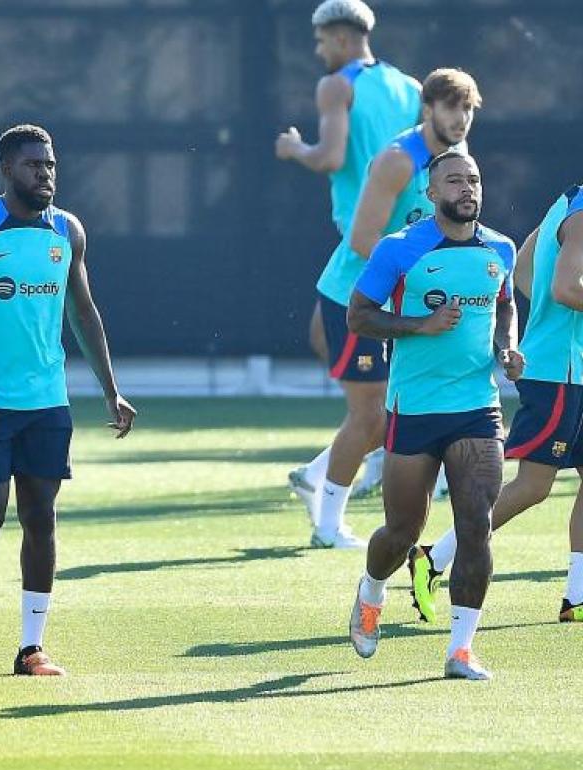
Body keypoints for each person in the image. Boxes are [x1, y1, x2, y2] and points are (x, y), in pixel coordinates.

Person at [0, 125, 137, 676]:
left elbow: (84, 311)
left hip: (47, 401)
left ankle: (30, 649)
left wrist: (110, 389)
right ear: (6, 170)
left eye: (49, 165)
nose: (44, 174)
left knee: (41, 518)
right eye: (32, 165)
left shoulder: (67, 231)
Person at [345, 152, 519, 680]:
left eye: (474, 178)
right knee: (400, 532)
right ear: (430, 191)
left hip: (477, 407)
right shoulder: (399, 250)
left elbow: (504, 302)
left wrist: (506, 345)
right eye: (455, 180)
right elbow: (359, 315)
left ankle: (460, 650)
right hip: (414, 409)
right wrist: (420, 324)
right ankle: (371, 591)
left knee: (475, 525)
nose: (468, 188)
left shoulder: (500, 248)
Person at [303, 69, 480, 543]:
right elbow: (362, 239)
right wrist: (421, 282)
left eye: (468, 109)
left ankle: (317, 473)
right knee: (372, 417)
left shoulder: (458, 161)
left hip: (407, 296)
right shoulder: (399, 161)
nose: (461, 119)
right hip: (355, 294)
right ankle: (327, 523)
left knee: (398, 409)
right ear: (427, 109)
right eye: (452, 108)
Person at [276, 0, 420, 545]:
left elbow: (332, 156)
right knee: (323, 337)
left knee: (371, 409)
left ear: (338, 36)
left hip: (366, 247)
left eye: (320, 40)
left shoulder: (337, 84)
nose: (318, 52)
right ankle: (326, 468)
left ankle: (327, 492)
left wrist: (295, 149)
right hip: (387, 241)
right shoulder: (408, 86)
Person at [410, 183, 583, 624]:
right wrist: (556, 320)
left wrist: (547, 316)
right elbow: (566, 288)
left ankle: (577, 596)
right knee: (534, 486)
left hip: (568, 364)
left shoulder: (565, 200)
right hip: (560, 372)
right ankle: (435, 555)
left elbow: (524, 270)